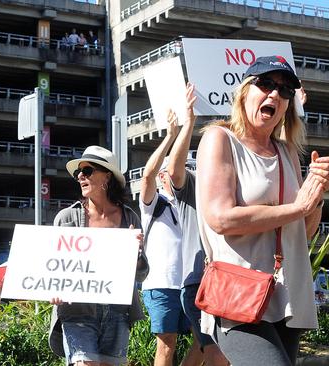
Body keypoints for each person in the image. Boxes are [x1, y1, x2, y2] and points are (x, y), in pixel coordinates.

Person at [196, 55, 329, 365]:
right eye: (266, 84)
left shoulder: (286, 151)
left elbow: (305, 229)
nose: (275, 93)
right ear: (245, 91)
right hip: (239, 292)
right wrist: (298, 206)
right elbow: (220, 218)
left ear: (287, 105)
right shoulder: (219, 139)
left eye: (285, 91)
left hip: (286, 293)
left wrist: (318, 193)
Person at [48, 145, 147, 366]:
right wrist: (53, 288)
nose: (81, 176)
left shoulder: (130, 218)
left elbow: (141, 273)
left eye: (88, 171)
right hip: (77, 310)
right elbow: (54, 264)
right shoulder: (67, 218)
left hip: (118, 312)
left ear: (107, 177)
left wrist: (136, 252)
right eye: (78, 173)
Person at [165, 84, 228, 365]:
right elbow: (174, 170)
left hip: (231, 279)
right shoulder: (192, 184)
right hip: (200, 282)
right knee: (216, 352)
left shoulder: (234, 182)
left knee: (215, 352)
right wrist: (188, 122)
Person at [139, 116, 201, 366]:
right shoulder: (155, 203)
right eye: (184, 168)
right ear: (165, 175)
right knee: (167, 343)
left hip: (190, 282)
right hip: (162, 283)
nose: (186, 175)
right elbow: (146, 177)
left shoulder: (195, 205)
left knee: (206, 341)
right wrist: (169, 136)